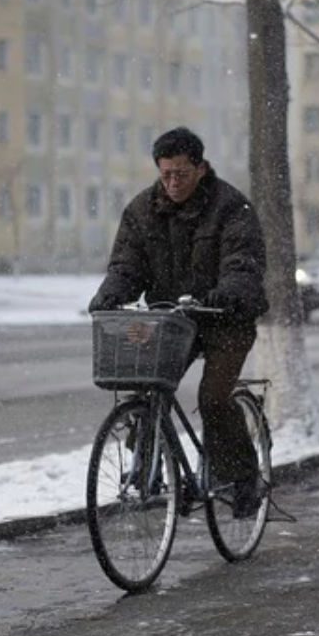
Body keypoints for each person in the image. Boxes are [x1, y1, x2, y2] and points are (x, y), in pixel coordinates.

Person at [87, 127, 269, 518]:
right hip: (172, 322)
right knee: (148, 387)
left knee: (213, 399)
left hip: (224, 319)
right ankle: (150, 466)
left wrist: (228, 291)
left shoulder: (231, 208)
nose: (172, 183)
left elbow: (244, 263)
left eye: (181, 174)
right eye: (165, 174)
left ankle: (243, 478)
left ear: (201, 168)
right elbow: (126, 265)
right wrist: (111, 293)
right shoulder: (141, 212)